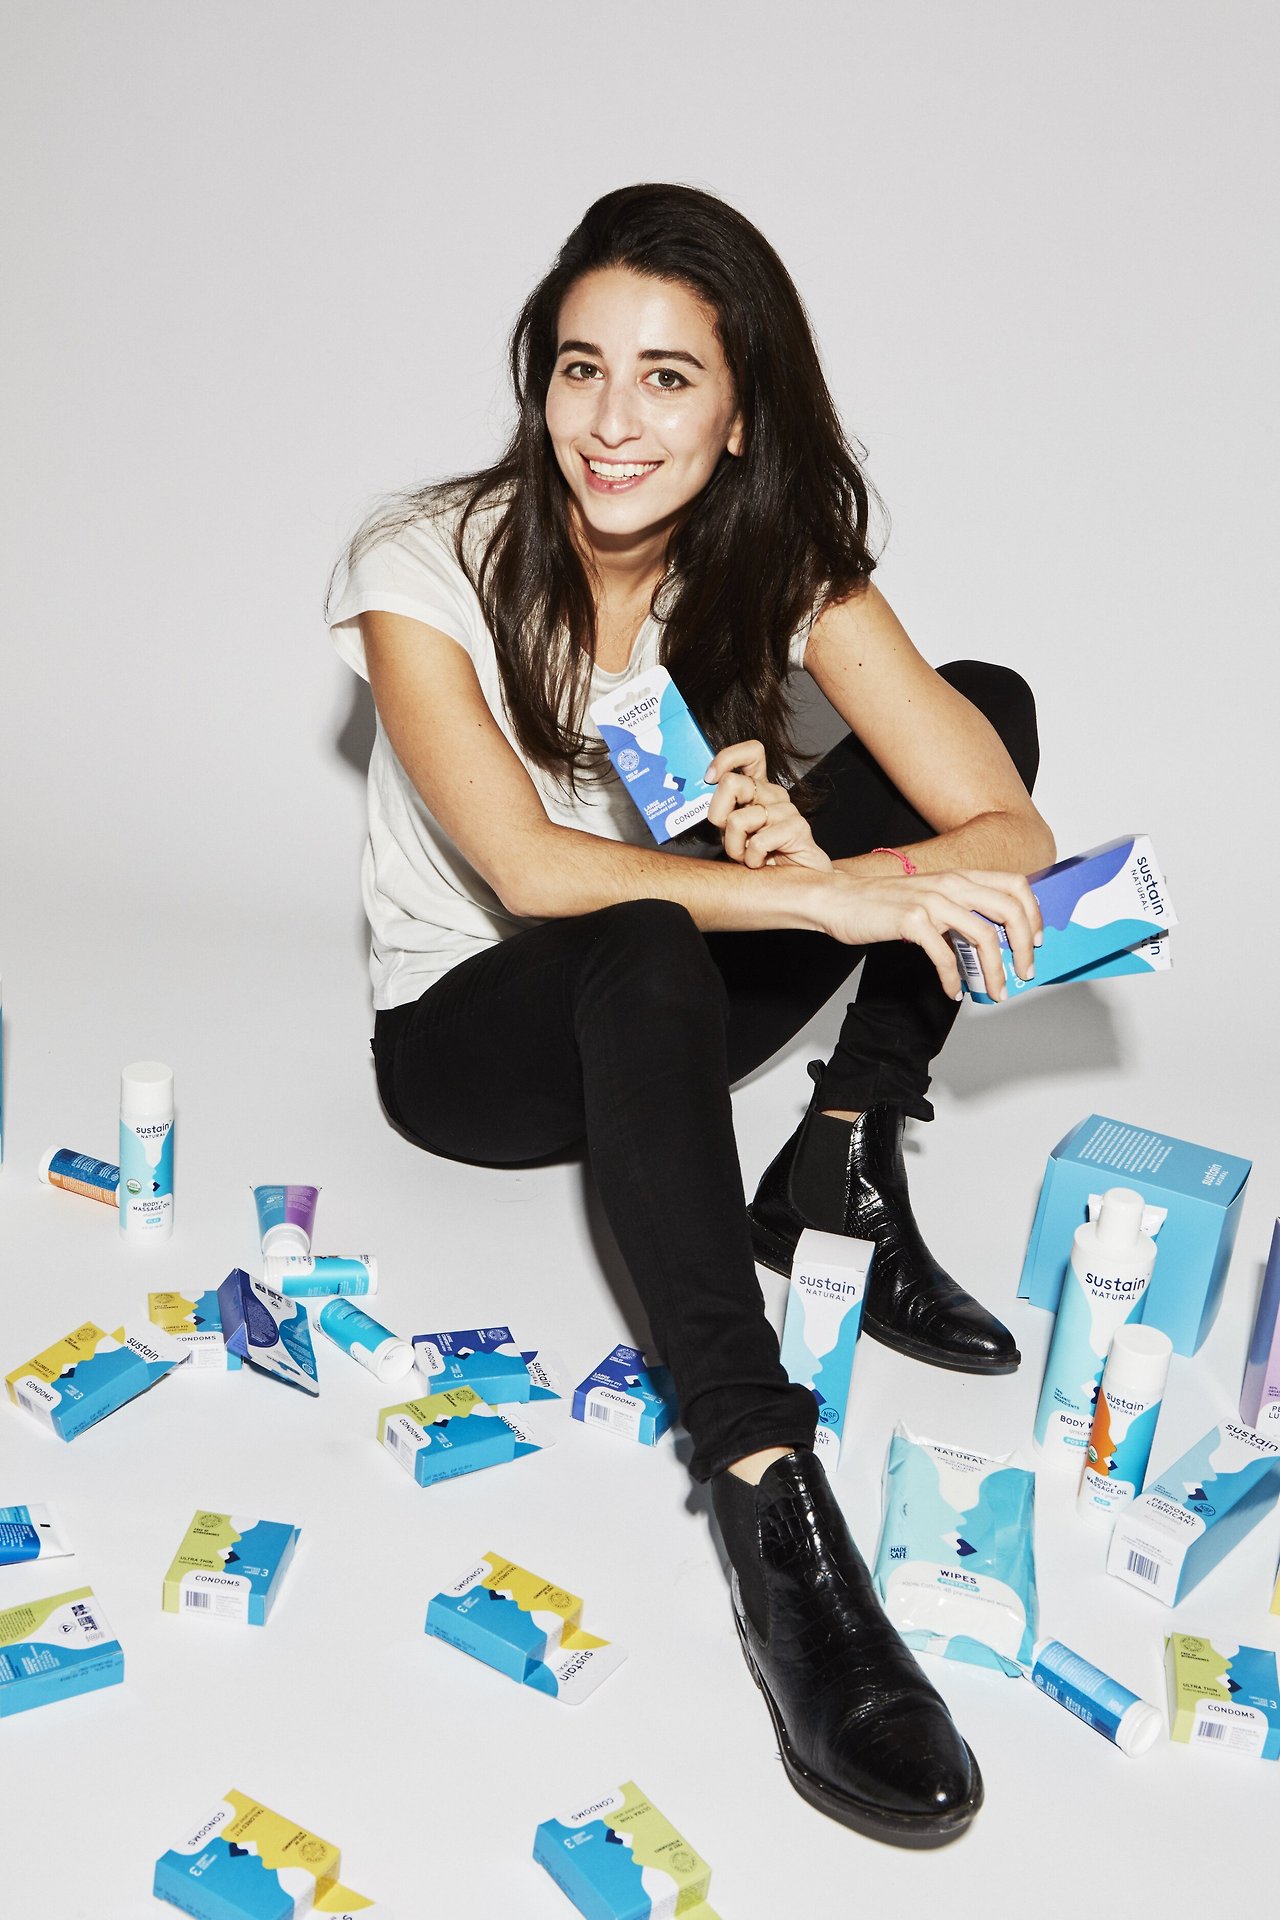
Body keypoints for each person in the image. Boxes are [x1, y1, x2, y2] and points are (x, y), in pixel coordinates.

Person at [328, 183, 1054, 1847]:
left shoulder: (772, 563)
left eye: (668, 378)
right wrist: (826, 899)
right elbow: (533, 870)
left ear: (739, 416)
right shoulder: (419, 563)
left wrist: (813, 857)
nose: (613, 420)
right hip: (474, 1039)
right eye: (582, 368)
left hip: (672, 987)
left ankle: (841, 1160)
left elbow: (1007, 828)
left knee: (986, 704)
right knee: (646, 932)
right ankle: (769, 1501)